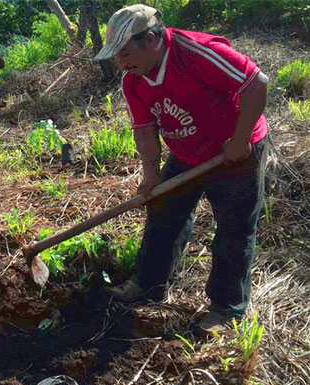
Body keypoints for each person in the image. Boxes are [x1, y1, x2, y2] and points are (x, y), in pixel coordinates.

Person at [94, 4, 269, 333]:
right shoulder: (134, 81)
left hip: (234, 151)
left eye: (125, 52)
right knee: (163, 215)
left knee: (234, 230)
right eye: (116, 56)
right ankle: (148, 285)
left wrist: (240, 138)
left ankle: (225, 310)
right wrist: (150, 173)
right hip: (187, 154)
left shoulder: (196, 53)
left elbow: (256, 83)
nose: (120, 63)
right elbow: (144, 129)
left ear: (151, 40)